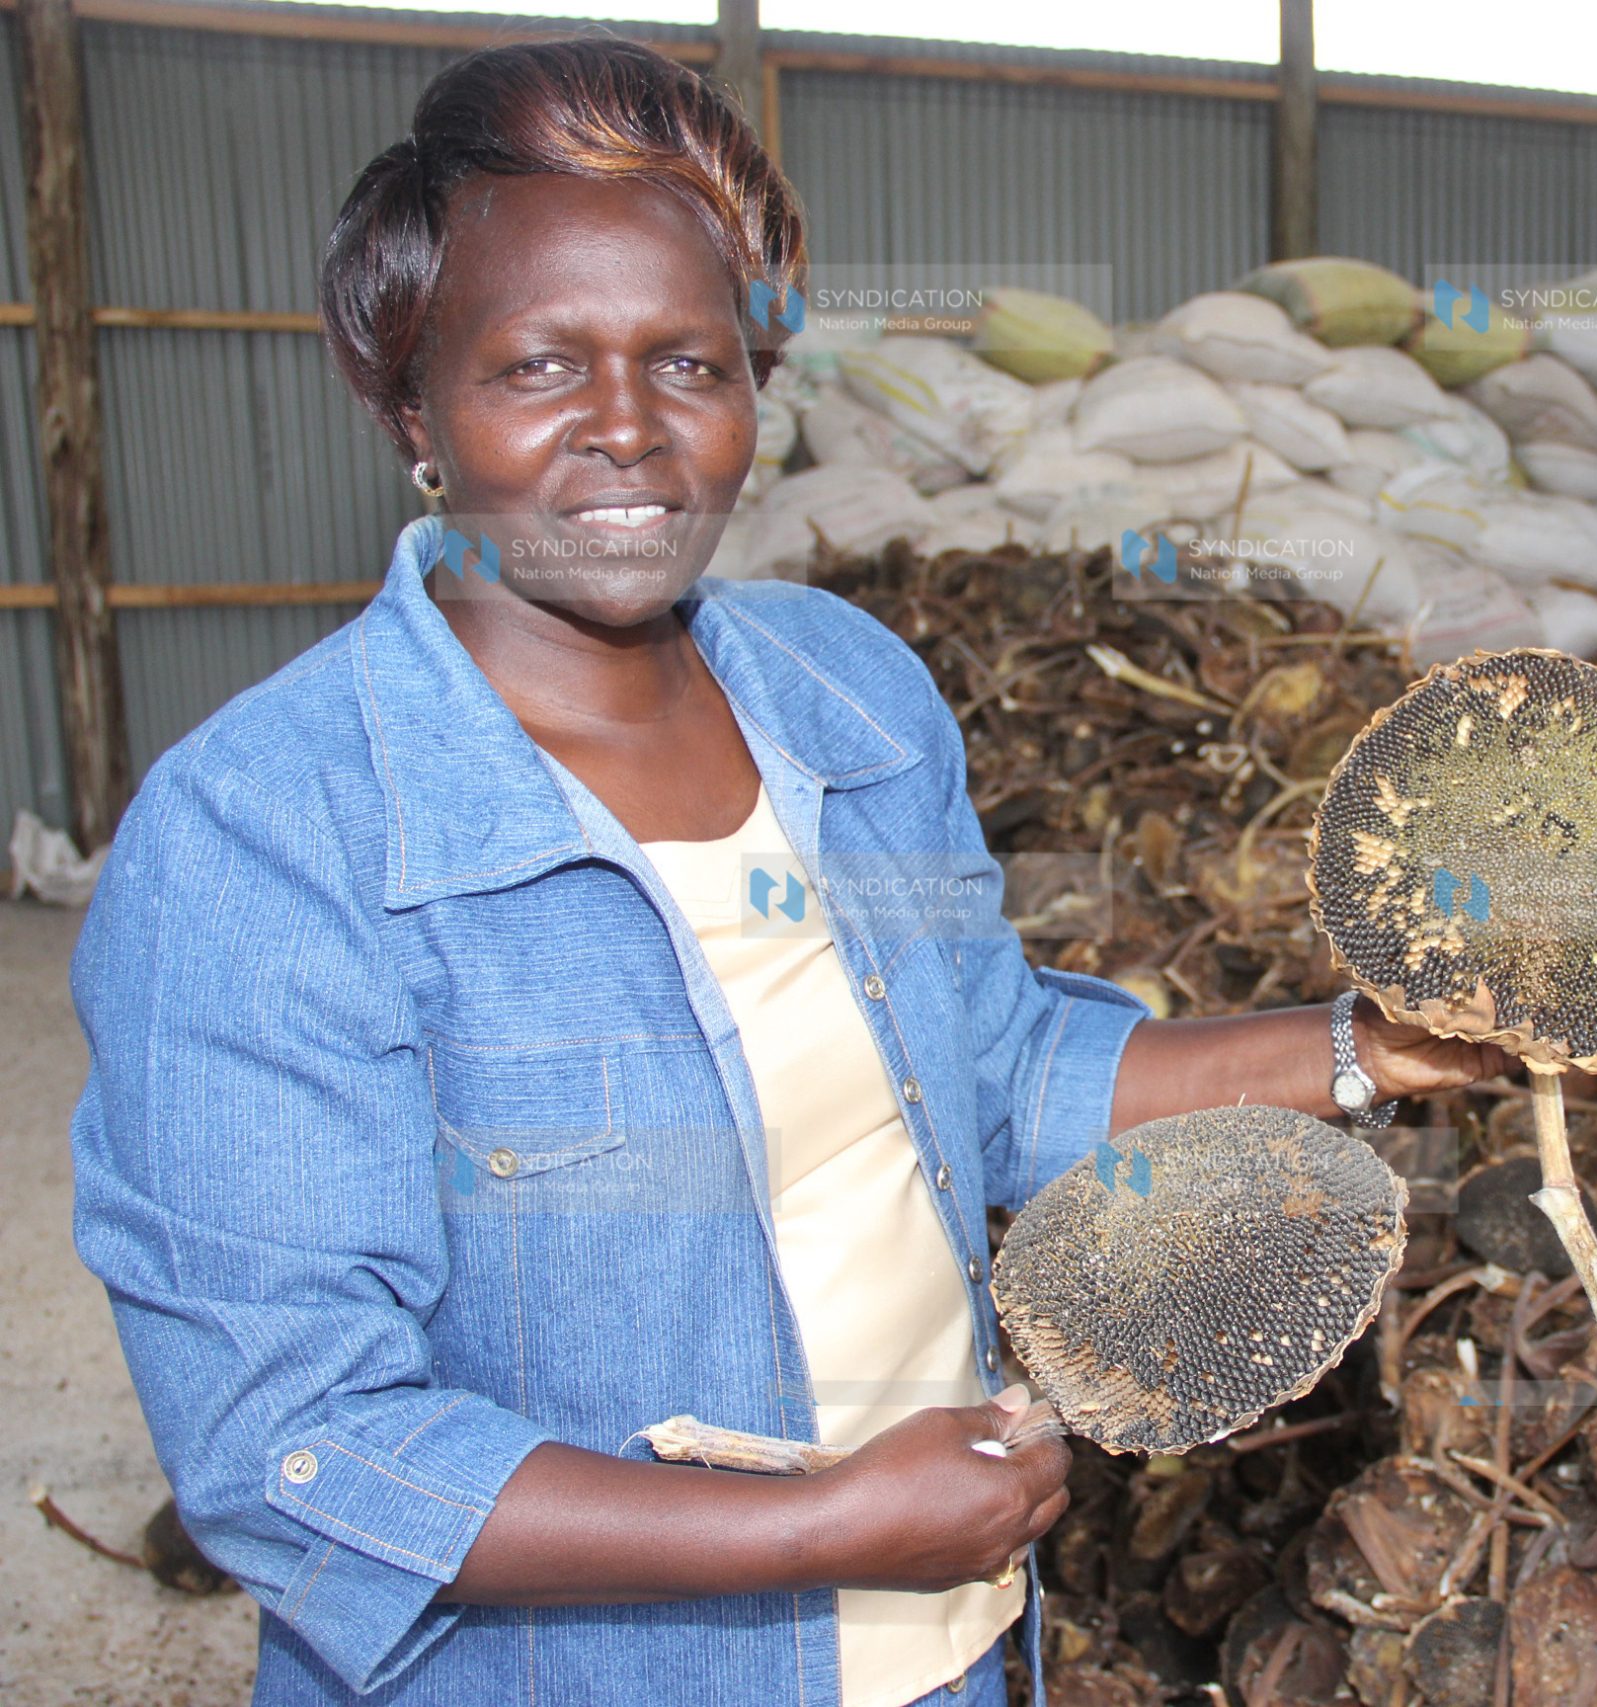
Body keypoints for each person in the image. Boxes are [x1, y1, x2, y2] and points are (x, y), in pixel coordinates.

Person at [65, 35, 1504, 1707]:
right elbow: (294, 1445)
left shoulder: (852, 699)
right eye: (538, 369)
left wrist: (1360, 1048)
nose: (628, 433)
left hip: (954, 1646)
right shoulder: (269, 835)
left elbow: (995, 1068)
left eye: (690, 366)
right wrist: (819, 1529)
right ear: (408, 405)